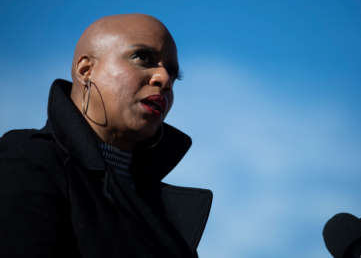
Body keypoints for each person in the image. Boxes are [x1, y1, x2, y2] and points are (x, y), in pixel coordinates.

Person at [0, 14, 212, 258]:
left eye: (173, 75)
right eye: (143, 58)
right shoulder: (29, 159)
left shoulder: (161, 215)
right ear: (85, 70)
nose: (164, 80)